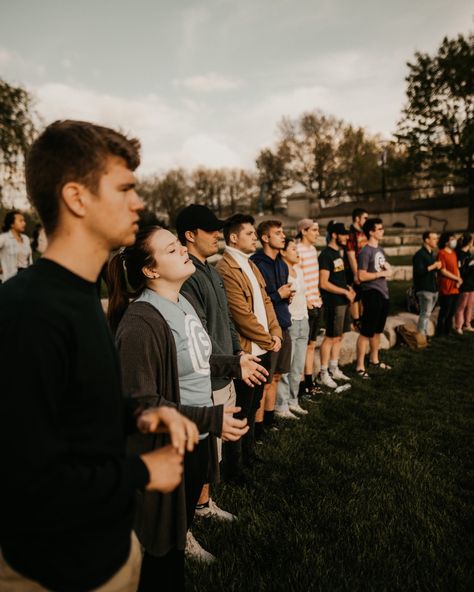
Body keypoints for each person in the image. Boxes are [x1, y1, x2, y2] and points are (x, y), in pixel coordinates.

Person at [0, 120, 195, 592]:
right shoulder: (28, 312)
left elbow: (72, 408)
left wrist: (140, 415)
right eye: (125, 188)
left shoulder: (82, 296)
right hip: (56, 573)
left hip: (109, 551)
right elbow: (28, 483)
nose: (138, 203)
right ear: (76, 197)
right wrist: (145, 470)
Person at [107, 226, 249, 587]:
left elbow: (194, 359)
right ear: (150, 271)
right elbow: (140, 404)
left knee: (177, 532)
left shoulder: (180, 300)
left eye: (178, 245)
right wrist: (211, 417)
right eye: (171, 250)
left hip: (196, 438)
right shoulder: (141, 322)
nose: (182, 251)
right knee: (158, 553)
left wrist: (234, 364)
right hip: (167, 447)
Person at [175, 204, 268, 554]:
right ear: (189, 235)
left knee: (210, 455)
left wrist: (239, 355)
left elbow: (226, 320)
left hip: (226, 371)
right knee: (197, 457)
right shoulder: (188, 274)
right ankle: (183, 527)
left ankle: (202, 505)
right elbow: (196, 331)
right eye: (211, 229)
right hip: (205, 378)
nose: (218, 234)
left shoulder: (210, 270)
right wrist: (229, 363)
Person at [216, 214, 281, 469]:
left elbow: (266, 302)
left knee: (254, 404)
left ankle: (249, 455)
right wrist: (268, 340)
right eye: (250, 234)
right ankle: (235, 466)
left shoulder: (251, 264)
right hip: (247, 350)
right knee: (242, 408)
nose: (255, 237)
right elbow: (241, 314)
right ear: (234, 237)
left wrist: (276, 333)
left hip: (263, 346)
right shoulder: (226, 268)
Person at [251, 219, 293, 427]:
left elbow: (279, 294)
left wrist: (286, 297)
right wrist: (279, 295)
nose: (283, 236)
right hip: (267, 330)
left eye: (282, 232)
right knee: (265, 382)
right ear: (265, 238)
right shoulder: (256, 263)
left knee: (276, 377)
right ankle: (257, 427)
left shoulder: (282, 263)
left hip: (284, 324)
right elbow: (258, 299)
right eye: (278, 232)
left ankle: (269, 420)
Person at [317, 222, 355, 389]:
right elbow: (323, 283)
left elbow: (337, 278)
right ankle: (323, 374)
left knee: (340, 336)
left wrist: (348, 288)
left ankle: (334, 367)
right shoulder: (325, 255)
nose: (347, 237)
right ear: (334, 235)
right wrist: (344, 292)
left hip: (342, 300)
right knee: (330, 337)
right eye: (344, 234)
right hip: (333, 302)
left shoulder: (337, 253)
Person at [275, 237, 309, 417]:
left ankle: (293, 401)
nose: (297, 252)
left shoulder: (298, 271)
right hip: (291, 322)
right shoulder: (282, 274)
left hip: (304, 320)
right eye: (293, 249)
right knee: (286, 368)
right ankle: (281, 406)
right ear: (283, 251)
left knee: (298, 367)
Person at [355, 218, 393, 378]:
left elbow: (383, 267)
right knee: (366, 332)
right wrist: (382, 273)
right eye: (379, 229)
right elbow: (361, 275)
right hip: (372, 294)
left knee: (377, 331)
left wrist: (387, 269)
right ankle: (360, 366)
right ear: (371, 231)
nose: (382, 231)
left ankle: (374, 360)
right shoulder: (365, 251)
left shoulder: (381, 250)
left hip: (383, 293)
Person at [295, 218, 324, 397]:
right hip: (306, 305)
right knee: (303, 346)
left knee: (312, 344)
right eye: (314, 230)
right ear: (303, 231)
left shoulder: (313, 250)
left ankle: (309, 380)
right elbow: (297, 278)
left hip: (317, 301)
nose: (317, 233)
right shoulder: (297, 250)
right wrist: (306, 301)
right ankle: (300, 385)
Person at [412, 231, 442, 336]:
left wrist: (437, 267)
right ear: (426, 240)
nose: (436, 240)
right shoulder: (419, 254)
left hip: (433, 288)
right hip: (425, 289)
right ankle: (421, 336)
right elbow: (419, 271)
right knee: (425, 314)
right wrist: (434, 266)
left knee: (427, 314)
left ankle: (423, 334)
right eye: (434, 238)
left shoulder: (431, 254)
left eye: (436, 238)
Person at [435, 232, 462, 336]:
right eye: (452, 239)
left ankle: (448, 330)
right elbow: (443, 270)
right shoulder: (441, 253)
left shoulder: (454, 253)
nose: (454, 241)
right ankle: (440, 331)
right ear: (446, 241)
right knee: (445, 309)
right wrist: (456, 278)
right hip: (446, 285)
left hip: (455, 286)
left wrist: (459, 279)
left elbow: (456, 268)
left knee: (452, 311)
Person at [345, 208, 369, 328]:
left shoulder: (363, 232)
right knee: (355, 295)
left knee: (363, 295)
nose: (366, 220)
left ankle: (363, 318)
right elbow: (351, 255)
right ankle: (355, 320)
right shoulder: (351, 233)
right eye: (365, 218)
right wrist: (356, 274)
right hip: (353, 270)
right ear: (357, 218)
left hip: (364, 269)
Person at [0, 210, 32, 281]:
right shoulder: (4, 238)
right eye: (20, 221)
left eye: (24, 221)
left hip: (25, 278)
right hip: (9, 280)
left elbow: (29, 260)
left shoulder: (26, 238)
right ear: (12, 224)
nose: (24, 223)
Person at [454, 233, 474, 333]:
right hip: (464, 284)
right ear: (470, 242)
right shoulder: (459, 254)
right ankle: (458, 326)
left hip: (472, 284)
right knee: (461, 306)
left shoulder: (469, 254)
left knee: (470, 305)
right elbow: (461, 270)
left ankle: (467, 324)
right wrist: (471, 266)